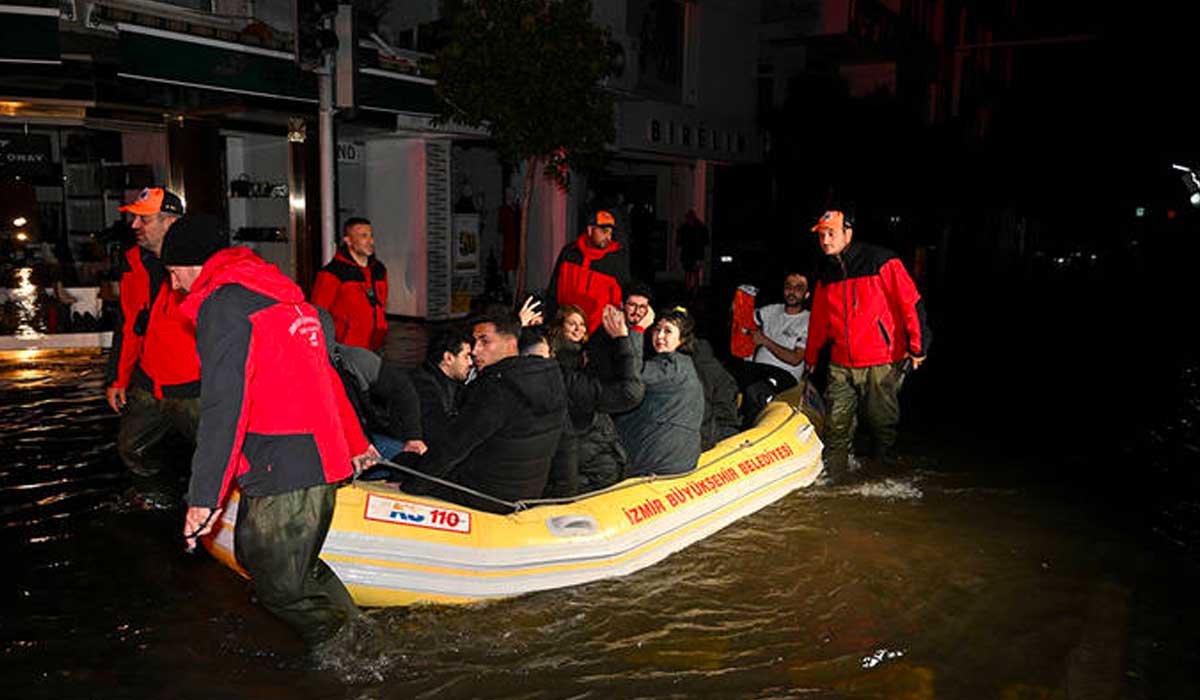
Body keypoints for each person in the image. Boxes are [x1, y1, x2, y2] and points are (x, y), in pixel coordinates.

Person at [162, 215, 378, 651]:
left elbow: (225, 405)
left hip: (283, 460)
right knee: (277, 563)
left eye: (172, 274)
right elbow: (326, 375)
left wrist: (203, 498)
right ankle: (356, 631)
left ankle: (348, 650)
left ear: (190, 265)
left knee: (277, 581)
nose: (175, 287)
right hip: (316, 455)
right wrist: (355, 443)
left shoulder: (223, 305)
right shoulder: (286, 298)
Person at [805, 208, 931, 480]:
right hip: (840, 363)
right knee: (836, 426)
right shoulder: (826, 273)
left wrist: (918, 347)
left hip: (881, 360)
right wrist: (811, 356)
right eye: (822, 235)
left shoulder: (881, 260)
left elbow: (910, 303)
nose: (825, 240)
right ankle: (834, 481)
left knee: (881, 424)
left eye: (831, 233)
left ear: (848, 233)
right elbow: (819, 320)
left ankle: (883, 484)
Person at [407, 315, 567, 513]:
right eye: (475, 342)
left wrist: (410, 486)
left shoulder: (499, 387)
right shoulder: (553, 378)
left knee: (405, 462)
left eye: (485, 341)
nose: (475, 351)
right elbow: (566, 445)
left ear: (511, 343)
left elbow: (454, 446)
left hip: (485, 495)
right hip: (525, 493)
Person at [104, 187, 200, 477]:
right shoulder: (134, 262)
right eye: (134, 218)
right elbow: (128, 326)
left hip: (196, 386)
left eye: (143, 220)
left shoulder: (201, 262)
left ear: (170, 222)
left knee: (216, 455)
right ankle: (157, 505)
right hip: (149, 383)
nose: (134, 226)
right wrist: (117, 379)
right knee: (132, 450)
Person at [615, 307, 704, 476]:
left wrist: (637, 330)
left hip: (657, 461)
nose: (660, 336)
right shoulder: (684, 365)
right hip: (679, 459)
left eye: (668, 331)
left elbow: (632, 372)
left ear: (682, 340)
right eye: (657, 330)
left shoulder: (671, 368)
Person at [729, 272, 811, 424]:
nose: (792, 291)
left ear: (806, 295)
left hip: (785, 375)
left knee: (757, 391)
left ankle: (748, 431)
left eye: (798, 288)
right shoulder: (771, 310)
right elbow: (743, 320)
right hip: (755, 368)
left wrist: (765, 341)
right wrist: (741, 301)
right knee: (724, 379)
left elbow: (795, 359)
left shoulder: (808, 320)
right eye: (788, 286)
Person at [545, 209, 630, 334]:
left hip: (598, 334)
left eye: (610, 233)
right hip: (566, 328)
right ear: (590, 230)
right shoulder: (569, 252)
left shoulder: (615, 260)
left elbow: (622, 298)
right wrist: (551, 320)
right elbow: (554, 288)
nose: (608, 237)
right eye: (604, 231)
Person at [311, 217, 388, 352]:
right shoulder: (332, 273)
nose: (371, 241)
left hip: (377, 345)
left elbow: (381, 303)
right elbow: (319, 312)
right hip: (347, 347)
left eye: (371, 236)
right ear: (348, 240)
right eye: (363, 236)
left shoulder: (379, 269)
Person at [409, 325, 474, 449]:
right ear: (448, 358)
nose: (471, 363)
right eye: (466, 356)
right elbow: (437, 432)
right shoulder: (423, 386)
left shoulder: (453, 383)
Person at [676, 209, 709, 294]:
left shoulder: (700, 228)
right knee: (688, 273)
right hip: (688, 254)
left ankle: (695, 290)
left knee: (695, 273)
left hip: (696, 254)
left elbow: (706, 241)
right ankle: (689, 289)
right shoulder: (685, 228)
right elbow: (679, 242)